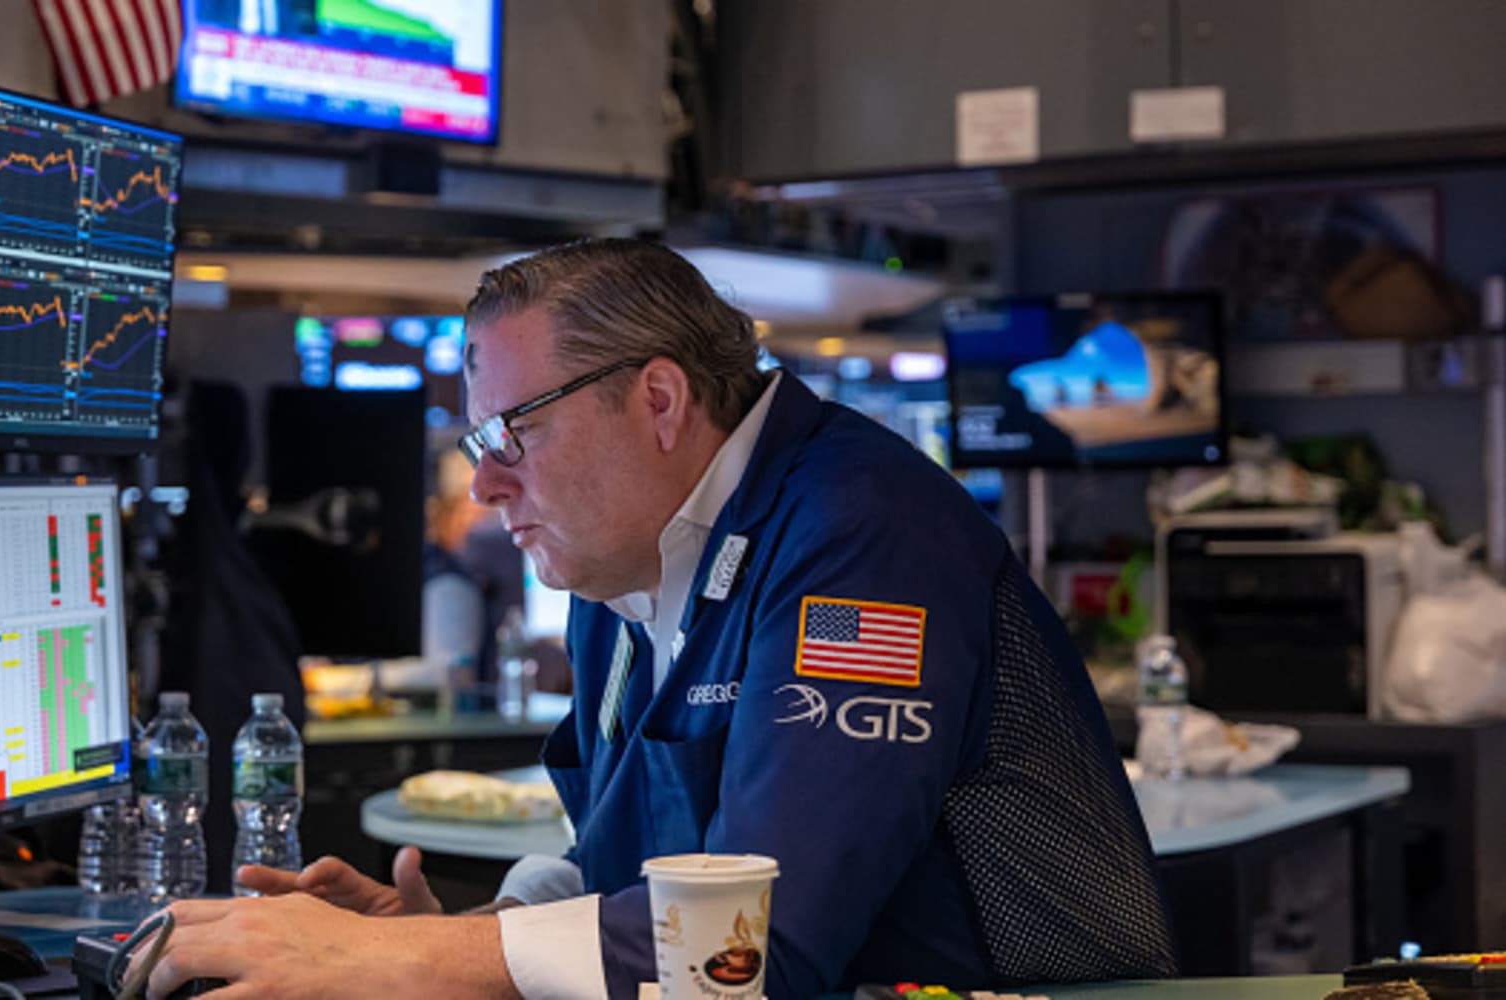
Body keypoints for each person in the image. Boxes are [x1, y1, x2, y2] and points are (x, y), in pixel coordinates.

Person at [140, 239, 1176, 998]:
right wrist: (479, 930)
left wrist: (389, 960)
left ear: (660, 400)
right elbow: (624, 872)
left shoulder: (860, 530)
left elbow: (748, 950)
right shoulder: (618, 567)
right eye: (475, 441)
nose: (486, 483)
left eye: (512, 431)